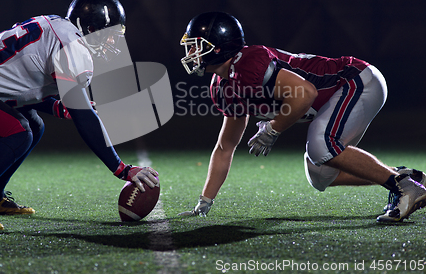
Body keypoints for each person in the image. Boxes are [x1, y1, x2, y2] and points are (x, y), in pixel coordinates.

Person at [0, 0, 159, 231]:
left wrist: (58, 106)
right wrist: (121, 168)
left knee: (34, 126)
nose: (113, 41)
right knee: (18, 131)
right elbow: (84, 115)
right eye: (109, 34)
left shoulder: (59, 28)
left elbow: (17, 85)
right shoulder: (73, 45)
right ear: (89, 28)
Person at [178, 11, 426, 222]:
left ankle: (402, 187)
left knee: (321, 146)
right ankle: (410, 179)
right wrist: (205, 200)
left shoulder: (249, 64)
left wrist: (273, 129)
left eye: (197, 46)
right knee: (320, 175)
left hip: (356, 80)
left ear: (220, 47)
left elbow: (305, 94)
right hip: (344, 92)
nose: (191, 52)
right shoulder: (223, 86)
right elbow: (224, 147)